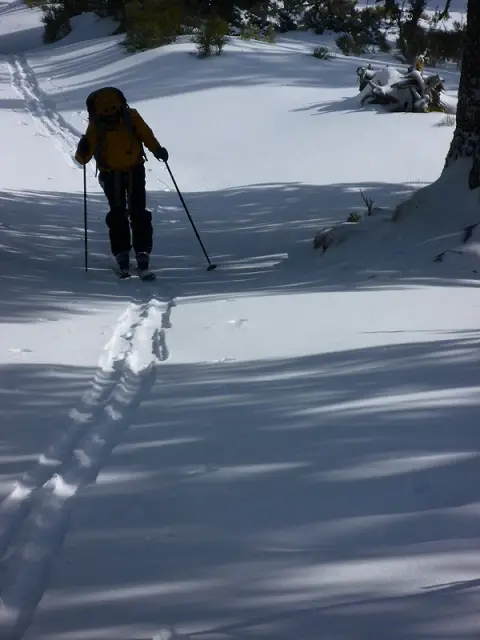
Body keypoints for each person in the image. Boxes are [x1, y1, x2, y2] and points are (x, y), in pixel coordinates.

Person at [74, 86, 168, 275]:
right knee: (138, 209)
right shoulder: (130, 115)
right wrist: (157, 150)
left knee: (118, 212)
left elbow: (82, 159)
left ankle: (122, 252)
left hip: (111, 174)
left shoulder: (96, 123)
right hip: (134, 169)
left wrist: (82, 149)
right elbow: (146, 134)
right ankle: (142, 251)